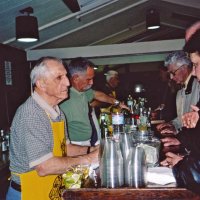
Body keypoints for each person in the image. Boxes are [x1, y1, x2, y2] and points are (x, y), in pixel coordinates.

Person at [6, 57, 99, 200]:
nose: (68, 83)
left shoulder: (57, 111)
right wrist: (88, 159)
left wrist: (92, 150)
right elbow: (44, 167)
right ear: (41, 84)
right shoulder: (32, 114)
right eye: (59, 78)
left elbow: (64, 147)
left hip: (49, 187)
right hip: (28, 193)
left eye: (66, 76)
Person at [160, 29, 200, 195]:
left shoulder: (196, 85)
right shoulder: (180, 90)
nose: (195, 72)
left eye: (196, 65)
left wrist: (182, 165)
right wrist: (178, 138)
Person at [59, 57, 126, 147]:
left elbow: (98, 95)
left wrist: (117, 103)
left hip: (87, 142)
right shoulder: (63, 95)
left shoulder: (83, 91)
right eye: (88, 79)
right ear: (75, 78)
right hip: (73, 144)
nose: (92, 82)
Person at [156, 50, 200, 135]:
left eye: (173, 73)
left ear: (184, 68)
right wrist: (171, 124)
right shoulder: (180, 92)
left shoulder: (198, 85)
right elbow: (182, 119)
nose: (171, 77)